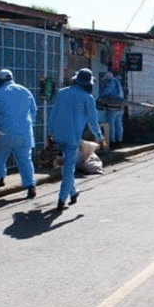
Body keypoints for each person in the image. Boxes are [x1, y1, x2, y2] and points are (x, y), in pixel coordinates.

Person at [47, 68, 105, 210]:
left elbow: (53, 114)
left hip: (58, 136)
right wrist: (100, 138)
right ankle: (62, 199)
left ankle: (73, 192)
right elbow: (92, 122)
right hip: (73, 138)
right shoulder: (88, 98)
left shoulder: (62, 93)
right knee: (68, 169)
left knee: (65, 166)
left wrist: (49, 133)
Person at [0, 69, 37, 198]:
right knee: (25, 159)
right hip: (25, 132)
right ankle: (30, 185)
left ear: (1, 80)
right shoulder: (25, 91)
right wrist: (29, 126)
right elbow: (33, 111)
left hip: (3, 131)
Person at [98, 71, 125, 148]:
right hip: (120, 106)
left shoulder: (111, 81)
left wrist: (100, 97)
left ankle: (112, 141)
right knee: (119, 124)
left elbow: (107, 91)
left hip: (113, 106)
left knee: (111, 124)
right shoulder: (118, 82)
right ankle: (119, 140)